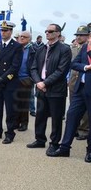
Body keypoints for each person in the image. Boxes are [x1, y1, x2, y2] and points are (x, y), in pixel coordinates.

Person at [27, 23, 72, 155]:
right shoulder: (41, 49)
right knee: (40, 116)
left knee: (56, 118)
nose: (47, 33)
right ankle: (40, 140)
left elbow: (61, 71)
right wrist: (38, 82)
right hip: (41, 87)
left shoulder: (64, 49)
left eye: (50, 31)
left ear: (58, 33)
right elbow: (34, 67)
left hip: (56, 89)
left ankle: (54, 143)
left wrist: (45, 83)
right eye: (46, 31)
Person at [48, 29, 91, 162]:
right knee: (71, 116)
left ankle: (90, 151)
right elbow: (74, 63)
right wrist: (85, 67)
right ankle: (65, 147)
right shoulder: (85, 47)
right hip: (80, 89)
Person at [0, 20, 23, 144]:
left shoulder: (17, 46)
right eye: (1, 30)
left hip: (9, 82)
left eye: (6, 30)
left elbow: (15, 66)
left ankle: (10, 133)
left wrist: (2, 78)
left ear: (11, 31)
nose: (3, 32)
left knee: (10, 110)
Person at [13, 31, 36, 131]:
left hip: (25, 79)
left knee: (24, 103)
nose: (21, 38)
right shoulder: (15, 48)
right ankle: (16, 122)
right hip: (13, 79)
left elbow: (36, 66)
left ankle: (24, 123)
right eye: (20, 36)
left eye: (24, 37)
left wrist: (31, 79)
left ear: (29, 39)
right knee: (15, 102)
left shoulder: (33, 50)